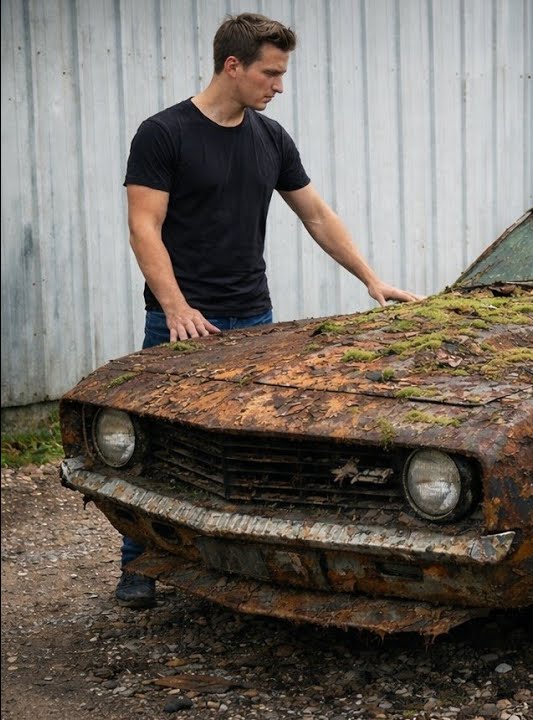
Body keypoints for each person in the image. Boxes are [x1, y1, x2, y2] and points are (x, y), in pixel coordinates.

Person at [116, 12, 420, 608]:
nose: (279, 86)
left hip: (255, 319)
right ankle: (139, 564)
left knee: (249, 449)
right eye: (270, 74)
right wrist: (176, 308)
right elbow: (143, 226)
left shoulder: (271, 138)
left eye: (281, 74)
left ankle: (242, 564)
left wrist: (371, 279)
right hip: (181, 325)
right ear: (233, 66)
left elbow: (317, 215)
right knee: (160, 451)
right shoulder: (164, 133)